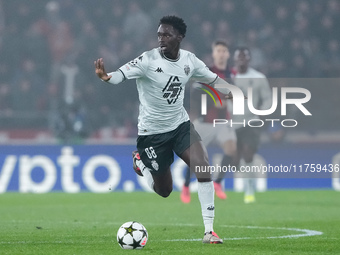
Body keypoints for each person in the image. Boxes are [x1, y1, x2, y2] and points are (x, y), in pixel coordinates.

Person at [94, 16, 236, 244]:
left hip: (180, 126)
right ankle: (141, 162)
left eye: (167, 35)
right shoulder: (147, 60)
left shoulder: (190, 61)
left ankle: (209, 231)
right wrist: (106, 77)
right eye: (159, 34)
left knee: (203, 168)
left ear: (179, 37)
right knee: (165, 190)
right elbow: (119, 75)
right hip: (152, 135)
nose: (161, 39)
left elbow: (213, 80)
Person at [180, 40, 237, 203]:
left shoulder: (231, 73)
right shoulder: (206, 71)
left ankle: (218, 183)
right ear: (214, 54)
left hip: (222, 122)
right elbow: (196, 90)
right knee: (194, 158)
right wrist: (214, 102)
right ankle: (185, 186)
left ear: (227, 54)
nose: (221, 54)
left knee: (231, 149)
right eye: (218, 51)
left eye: (224, 51)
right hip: (205, 122)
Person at [231, 47, 272, 203]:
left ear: (249, 59)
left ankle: (249, 189)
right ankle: (248, 177)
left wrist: (263, 110)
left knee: (248, 154)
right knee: (234, 161)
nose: (241, 60)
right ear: (234, 60)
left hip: (251, 121)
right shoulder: (228, 77)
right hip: (232, 123)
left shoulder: (259, 77)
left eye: (244, 57)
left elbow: (267, 98)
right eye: (238, 57)